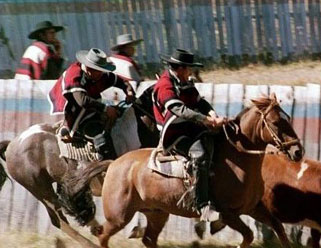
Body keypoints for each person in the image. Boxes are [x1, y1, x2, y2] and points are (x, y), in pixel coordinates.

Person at [153, 49, 226, 222]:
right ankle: (202, 205)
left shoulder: (185, 82)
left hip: (191, 127)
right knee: (199, 155)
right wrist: (207, 120)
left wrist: (212, 114)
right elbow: (179, 110)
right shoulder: (164, 85)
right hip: (175, 134)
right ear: (179, 69)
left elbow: (200, 102)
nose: (191, 72)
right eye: (189, 68)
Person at [48, 48, 135, 158]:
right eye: (98, 70)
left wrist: (129, 92)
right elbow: (82, 101)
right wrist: (106, 109)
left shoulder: (100, 75)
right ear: (89, 68)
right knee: (101, 138)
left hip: (93, 104)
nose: (101, 74)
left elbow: (121, 82)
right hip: (74, 109)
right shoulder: (74, 74)